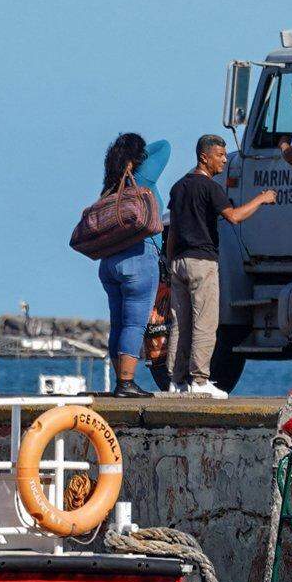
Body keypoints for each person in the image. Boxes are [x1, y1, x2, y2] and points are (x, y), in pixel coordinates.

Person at [164, 134, 276, 397]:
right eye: (220, 155)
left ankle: (176, 381)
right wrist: (261, 199)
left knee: (180, 323)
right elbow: (234, 217)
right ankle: (200, 380)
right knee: (205, 321)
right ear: (204, 157)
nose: (225, 160)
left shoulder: (179, 187)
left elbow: (173, 230)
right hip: (202, 262)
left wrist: (170, 264)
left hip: (179, 262)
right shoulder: (210, 187)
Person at [95, 132, 170, 396]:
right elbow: (164, 146)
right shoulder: (143, 177)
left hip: (109, 262)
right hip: (138, 258)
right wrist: (134, 157)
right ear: (138, 158)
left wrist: (120, 159)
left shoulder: (110, 185)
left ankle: (121, 381)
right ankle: (126, 383)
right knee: (134, 324)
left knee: (117, 323)